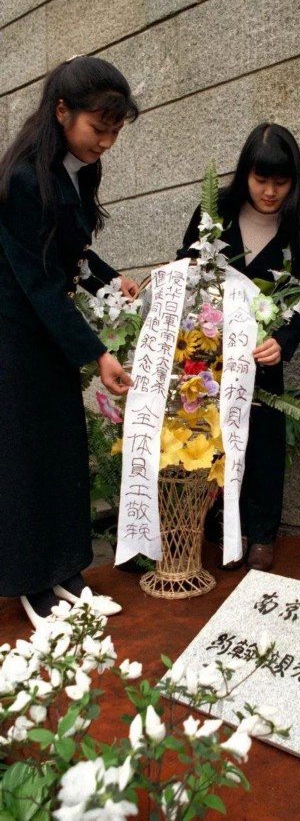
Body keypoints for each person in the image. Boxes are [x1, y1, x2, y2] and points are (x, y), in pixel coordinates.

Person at [0, 56, 139, 628]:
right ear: (62, 111)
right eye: (98, 128)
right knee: (25, 459)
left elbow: (70, 249)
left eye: (114, 131)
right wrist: (97, 353)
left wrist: (110, 278)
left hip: (48, 334)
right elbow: (39, 280)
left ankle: (68, 573)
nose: (105, 142)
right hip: (15, 338)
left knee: (61, 453)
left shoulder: (77, 168)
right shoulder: (23, 180)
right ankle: (33, 584)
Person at [177, 123, 300, 572]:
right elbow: (187, 263)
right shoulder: (215, 211)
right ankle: (222, 526)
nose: (270, 192)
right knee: (211, 437)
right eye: (261, 179)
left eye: (281, 182)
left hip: (262, 360)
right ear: (245, 174)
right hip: (209, 355)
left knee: (263, 444)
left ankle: (261, 534)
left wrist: (283, 342)